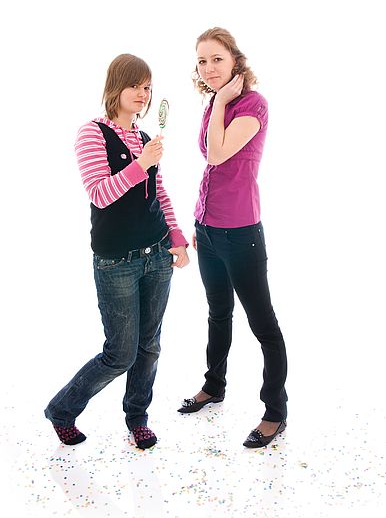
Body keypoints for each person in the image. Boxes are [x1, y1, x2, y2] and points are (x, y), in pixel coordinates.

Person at [45, 54, 189, 449]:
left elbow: (157, 193)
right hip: (117, 262)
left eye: (148, 88)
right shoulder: (91, 133)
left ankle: (137, 418)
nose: (143, 94)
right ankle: (62, 409)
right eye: (136, 85)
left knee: (150, 345)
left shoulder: (144, 139)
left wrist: (175, 236)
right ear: (116, 86)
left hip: (157, 254)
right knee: (119, 353)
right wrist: (142, 163)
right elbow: (100, 194)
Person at [178, 28, 288, 448]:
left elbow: (219, 153)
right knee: (217, 313)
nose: (208, 68)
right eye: (202, 61)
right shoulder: (213, 103)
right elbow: (211, 164)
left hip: (241, 234)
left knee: (264, 325)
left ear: (235, 61)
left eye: (216, 59)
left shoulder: (252, 104)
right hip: (207, 231)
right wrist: (199, 222)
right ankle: (214, 385)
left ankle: (275, 412)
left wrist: (221, 101)